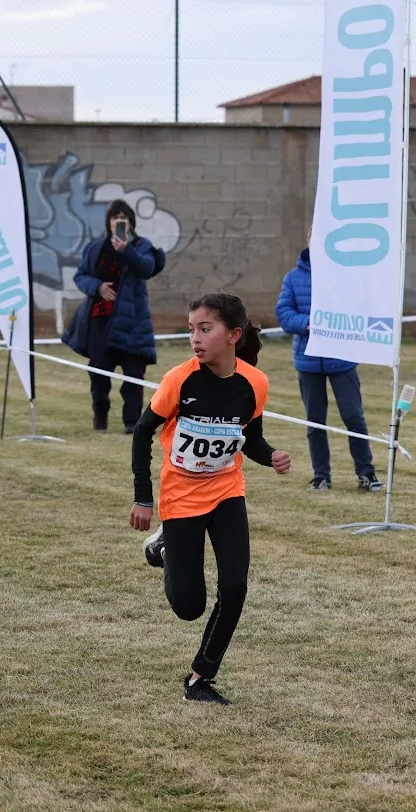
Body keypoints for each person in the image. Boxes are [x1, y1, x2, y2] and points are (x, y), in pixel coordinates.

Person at [129, 293, 292, 705]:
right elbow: (143, 432)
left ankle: (200, 678)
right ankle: (165, 546)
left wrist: (271, 455)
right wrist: (143, 498)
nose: (195, 339)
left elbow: (250, 439)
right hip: (181, 497)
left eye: (205, 329)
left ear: (233, 335)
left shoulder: (254, 383)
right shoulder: (179, 380)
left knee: (235, 586)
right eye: (191, 330)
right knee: (189, 607)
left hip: (226, 492)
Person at [275, 243, 383, 493]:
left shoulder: (346, 275)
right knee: (315, 422)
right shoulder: (293, 278)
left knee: (353, 416)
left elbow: (361, 306)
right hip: (308, 361)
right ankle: (321, 476)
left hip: (342, 358)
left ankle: (366, 473)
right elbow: (284, 314)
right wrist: (308, 323)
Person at [64, 200, 166, 433]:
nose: (119, 221)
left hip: (133, 322)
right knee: (99, 375)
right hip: (101, 321)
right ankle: (100, 417)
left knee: (134, 376)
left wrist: (126, 250)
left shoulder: (141, 246)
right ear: (108, 222)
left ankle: (132, 423)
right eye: (114, 218)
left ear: (131, 223)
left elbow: (147, 268)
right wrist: (98, 287)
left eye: (124, 218)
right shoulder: (95, 248)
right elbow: (81, 276)